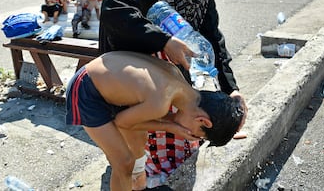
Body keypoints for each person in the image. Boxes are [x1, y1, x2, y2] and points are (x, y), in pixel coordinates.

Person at [99, 0, 247, 189]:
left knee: (177, 109)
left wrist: (231, 89)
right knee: (136, 130)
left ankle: (162, 165)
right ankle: (135, 169)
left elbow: (211, 35)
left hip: (165, 67)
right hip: (130, 62)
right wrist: (164, 41)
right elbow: (114, 9)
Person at [66, 51, 245, 191]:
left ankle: (139, 187)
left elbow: (142, 118)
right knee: (124, 162)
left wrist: (172, 124)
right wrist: (171, 126)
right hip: (86, 90)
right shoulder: (161, 100)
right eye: (196, 134)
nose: (188, 135)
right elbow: (121, 122)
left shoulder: (177, 81)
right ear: (203, 121)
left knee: (139, 140)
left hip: (108, 83)